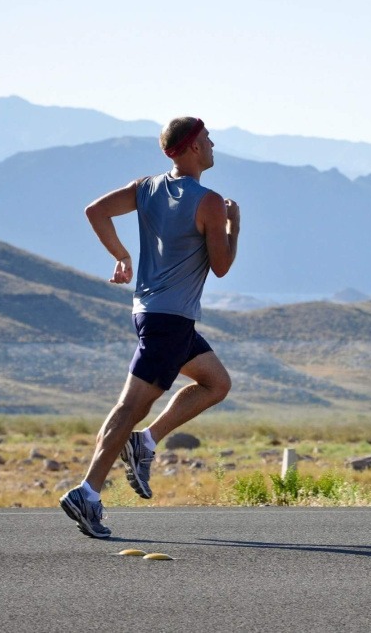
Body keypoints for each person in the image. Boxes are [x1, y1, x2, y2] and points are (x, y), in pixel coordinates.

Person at [59, 116, 240, 538]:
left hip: (153, 313)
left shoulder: (146, 187)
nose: (213, 146)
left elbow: (95, 210)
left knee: (216, 383)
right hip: (170, 320)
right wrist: (234, 225)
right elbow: (222, 266)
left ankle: (146, 441)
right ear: (193, 147)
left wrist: (121, 255)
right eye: (209, 140)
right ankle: (87, 492)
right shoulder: (210, 202)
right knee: (130, 407)